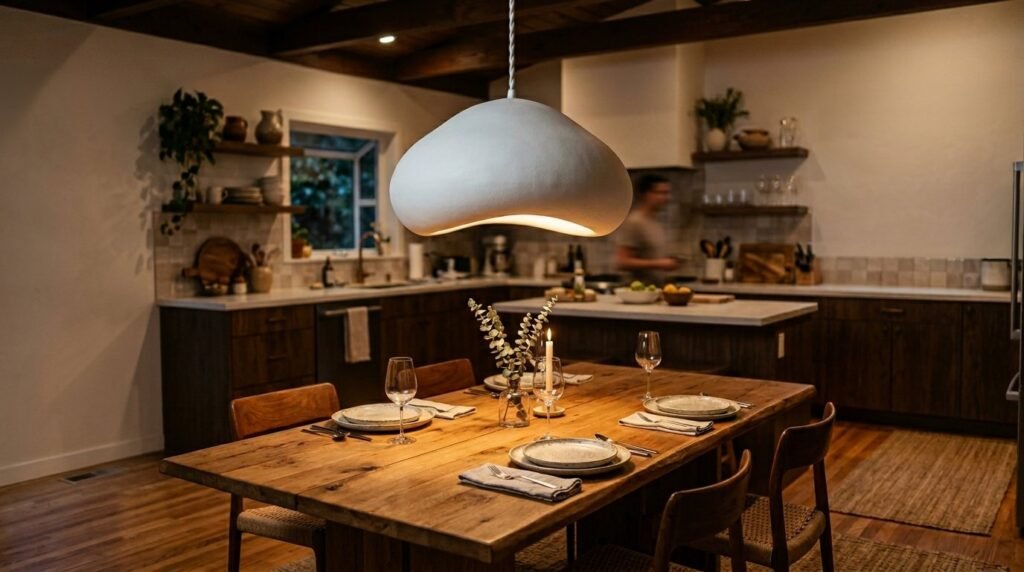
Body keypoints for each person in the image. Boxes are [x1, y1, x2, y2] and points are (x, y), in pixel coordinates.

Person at [615, 174, 680, 285]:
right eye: (661, 193)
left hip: (654, 290)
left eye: (667, 193)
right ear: (646, 194)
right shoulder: (635, 222)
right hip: (637, 292)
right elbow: (622, 261)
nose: (666, 198)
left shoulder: (655, 221)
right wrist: (659, 264)